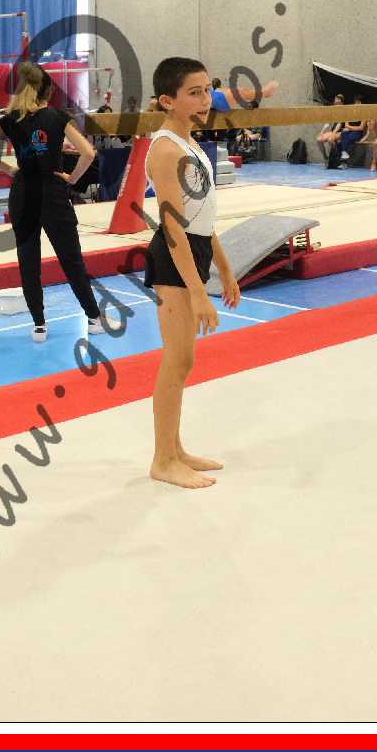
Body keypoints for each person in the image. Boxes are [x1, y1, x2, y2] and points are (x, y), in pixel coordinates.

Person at [143, 57, 241, 490]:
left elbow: (204, 215)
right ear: (168, 100)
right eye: (195, 93)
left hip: (195, 251)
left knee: (184, 359)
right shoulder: (166, 150)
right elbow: (173, 227)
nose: (205, 100)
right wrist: (198, 291)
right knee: (177, 359)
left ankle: (176, 449)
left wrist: (225, 268)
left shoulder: (192, 144)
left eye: (207, 91)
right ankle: (162, 459)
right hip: (173, 257)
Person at [0, 61, 104, 344]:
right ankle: (94, 318)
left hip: (22, 193)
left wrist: (9, 170)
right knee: (71, 259)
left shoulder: (10, 120)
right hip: (52, 192)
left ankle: (39, 325)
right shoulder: (58, 117)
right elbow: (88, 153)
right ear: (48, 92)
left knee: (28, 261)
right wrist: (71, 179)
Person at [316, 93, 345, 162]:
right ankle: (325, 158)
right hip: (333, 131)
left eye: (337, 99)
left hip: (341, 131)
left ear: (341, 102)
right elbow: (328, 123)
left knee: (330, 140)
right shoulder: (333, 110)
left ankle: (337, 156)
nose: (335, 101)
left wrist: (334, 133)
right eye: (335, 99)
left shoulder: (344, 110)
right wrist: (322, 131)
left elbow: (339, 124)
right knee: (319, 139)